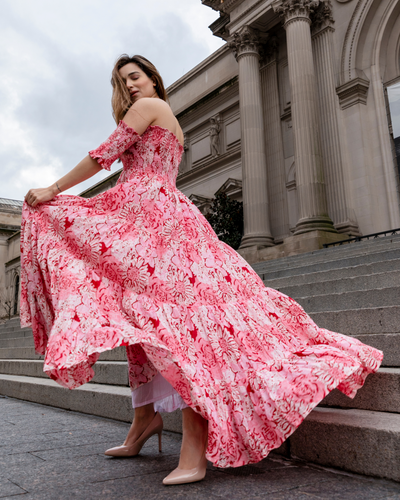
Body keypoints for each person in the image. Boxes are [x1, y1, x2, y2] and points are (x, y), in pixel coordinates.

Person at [22, 54, 383, 486]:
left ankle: (193, 440)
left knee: (180, 324)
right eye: (122, 81)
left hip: (155, 221)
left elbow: (102, 158)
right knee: (137, 315)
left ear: (153, 79)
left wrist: (53, 189)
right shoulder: (164, 115)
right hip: (151, 218)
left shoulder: (149, 107)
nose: (130, 85)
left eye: (136, 77)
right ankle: (143, 421)